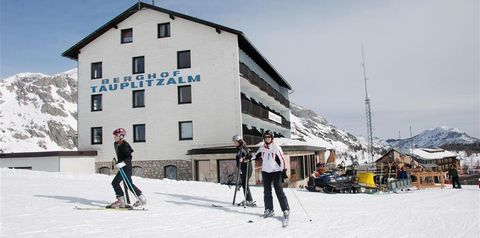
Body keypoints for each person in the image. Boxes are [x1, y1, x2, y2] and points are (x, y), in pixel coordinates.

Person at [253, 130, 290, 219]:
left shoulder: (276, 147)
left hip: (276, 172)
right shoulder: (262, 147)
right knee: (267, 192)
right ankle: (269, 209)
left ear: (272, 138)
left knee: (279, 191)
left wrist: (284, 171)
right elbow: (256, 155)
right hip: (265, 172)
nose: (267, 138)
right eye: (265, 137)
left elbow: (282, 159)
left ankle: (285, 209)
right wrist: (248, 157)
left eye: (269, 137)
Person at [108, 128, 147, 208]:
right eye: (114, 135)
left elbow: (129, 157)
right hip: (122, 167)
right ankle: (140, 198)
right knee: (128, 184)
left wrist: (122, 163)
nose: (114, 137)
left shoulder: (125, 145)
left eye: (116, 135)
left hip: (126, 167)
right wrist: (117, 162)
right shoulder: (116, 144)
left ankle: (121, 201)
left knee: (116, 183)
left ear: (121, 136)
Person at [232, 135, 256, 207]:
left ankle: (249, 200)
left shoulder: (243, 147)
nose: (234, 143)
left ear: (239, 141)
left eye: (235, 142)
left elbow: (250, 156)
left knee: (245, 184)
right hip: (242, 168)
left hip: (247, 168)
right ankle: (248, 199)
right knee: (243, 184)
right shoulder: (239, 148)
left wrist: (243, 158)